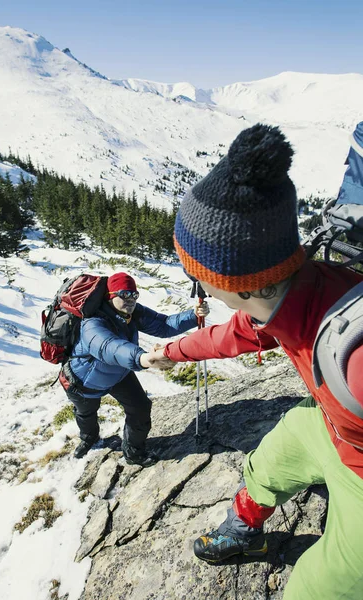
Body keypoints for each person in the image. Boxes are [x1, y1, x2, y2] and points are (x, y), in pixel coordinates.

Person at [149, 124, 363, 599]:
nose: (197, 287)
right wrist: (168, 351)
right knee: (270, 459)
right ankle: (246, 532)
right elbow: (231, 336)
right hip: (336, 431)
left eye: (197, 275)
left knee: (315, 589)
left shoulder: (355, 359)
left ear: (235, 281)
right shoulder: (293, 292)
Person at [59, 271, 209, 464]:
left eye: (134, 295)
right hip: (83, 380)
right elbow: (109, 347)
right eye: (124, 295)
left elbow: (164, 325)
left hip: (118, 373)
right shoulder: (92, 324)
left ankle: (133, 453)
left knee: (140, 408)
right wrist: (144, 358)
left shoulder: (132, 313)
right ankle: (89, 439)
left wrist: (193, 315)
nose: (130, 300)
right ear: (109, 296)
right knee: (86, 413)